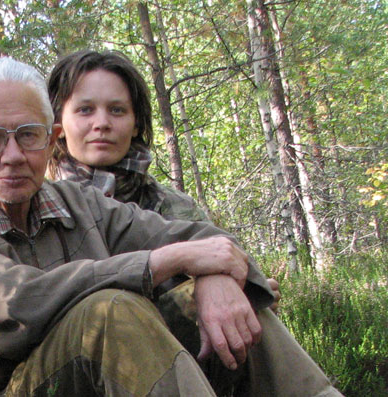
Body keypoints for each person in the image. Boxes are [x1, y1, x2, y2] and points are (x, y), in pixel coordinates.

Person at [0, 56, 342, 396]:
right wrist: (159, 262)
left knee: (202, 298)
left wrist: (215, 277)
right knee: (109, 309)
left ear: (52, 139)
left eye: (29, 135)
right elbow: (13, 302)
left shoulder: (78, 203)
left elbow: (203, 240)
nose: (13, 154)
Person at [46, 49, 281, 313]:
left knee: (250, 307)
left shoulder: (174, 206)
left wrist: (229, 286)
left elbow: (226, 259)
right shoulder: (40, 209)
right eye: (85, 110)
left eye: (117, 110)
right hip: (78, 346)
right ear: (59, 124)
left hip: (179, 346)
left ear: (136, 123)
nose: (102, 123)